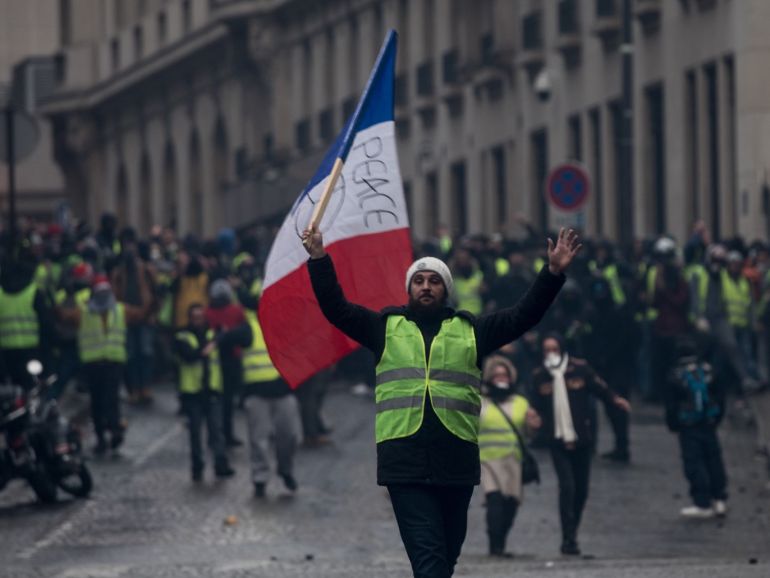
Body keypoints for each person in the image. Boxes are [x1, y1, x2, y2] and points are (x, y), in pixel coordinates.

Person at [303, 225, 580, 578]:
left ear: (445, 289)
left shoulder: (471, 331)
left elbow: (522, 315)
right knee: (429, 560)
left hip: (456, 462)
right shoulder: (384, 328)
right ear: (409, 289)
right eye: (419, 280)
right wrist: (319, 259)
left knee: (445, 559)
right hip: (403, 463)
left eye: (434, 281)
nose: (426, 286)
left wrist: (553, 273)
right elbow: (336, 308)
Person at [530, 333, 631, 556]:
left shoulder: (580, 369)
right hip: (556, 440)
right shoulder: (540, 377)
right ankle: (568, 538)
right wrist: (534, 418)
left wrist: (616, 400)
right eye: (546, 350)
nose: (551, 354)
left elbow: (601, 389)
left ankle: (573, 528)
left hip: (581, 438)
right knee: (567, 487)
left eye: (554, 349)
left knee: (581, 490)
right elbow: (534, 404)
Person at [59, 275, 147, 455]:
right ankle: (101, 435)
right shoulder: (83, 312)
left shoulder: (120, 310)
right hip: (93, 364)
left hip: (113, 362)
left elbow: (142, 313)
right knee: (98, 401)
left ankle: (114, 430)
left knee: (111, 398)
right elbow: (62, 316)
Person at [218, 311, 302, 497]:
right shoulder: (250, 330)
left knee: (290, 436)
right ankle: (260, 478)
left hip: (284, 392)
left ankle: (285, 470)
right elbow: (225, 341)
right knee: (259, 439)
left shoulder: (287, 328)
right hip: (257, 395)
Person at [479, 355, 540, 558]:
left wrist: (533, 425)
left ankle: (501, 543)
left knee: (511, 504)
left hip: (513, 462)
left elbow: (530, 434)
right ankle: (494, 546)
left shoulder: (521, 403)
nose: (501, 378)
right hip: (488, 462)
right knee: (494, 502)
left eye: (504, 375)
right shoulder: (480, 403)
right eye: (496, 375)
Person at [665, 335, 728, 518]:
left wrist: (673, 424)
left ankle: (702, 502)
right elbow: (721, 397)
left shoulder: (675, 375)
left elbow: (671, 405)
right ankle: (719, 498)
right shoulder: (709, 371)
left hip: (688, 425)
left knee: (694, 462)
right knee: (714, 459)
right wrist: (717, 419)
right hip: (708, 423)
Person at [174, 303, 235, 481]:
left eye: (200, 317)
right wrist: (213, 344)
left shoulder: (212, 334)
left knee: (217, 430)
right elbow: (190, 355)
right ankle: (197, 467)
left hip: (212, 389)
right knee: (195, 432)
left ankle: (220, 465)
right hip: (193, 393)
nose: (198, 320)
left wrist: (219, 338)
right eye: (194, 317)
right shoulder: (182, 336)